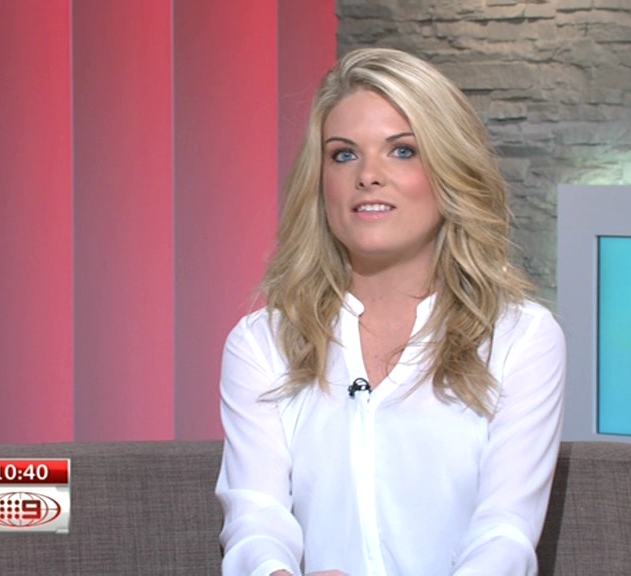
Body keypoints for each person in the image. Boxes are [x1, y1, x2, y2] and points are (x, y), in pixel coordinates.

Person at [216, 47, 566, 576]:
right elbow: (256, 517)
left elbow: (506, 531)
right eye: (343, 155)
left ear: (450, 170)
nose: (368, 175)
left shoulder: (522, 337)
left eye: (402, 151)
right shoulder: (262, 345)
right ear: (320, 182)